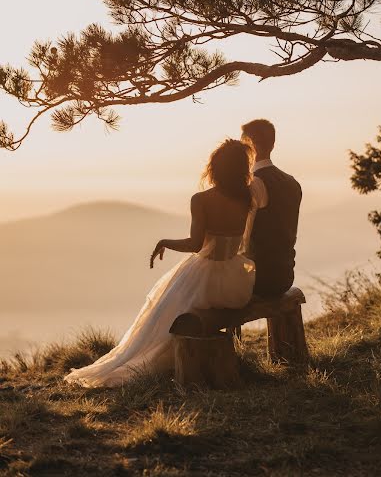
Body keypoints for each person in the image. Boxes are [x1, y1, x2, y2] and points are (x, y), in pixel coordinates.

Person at [64, 139, 266, 388]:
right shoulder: (248, 196)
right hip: (236, 282)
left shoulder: (201, 199)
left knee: (161, 313)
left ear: (215, 167)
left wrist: (164, 241)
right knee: (172, 308)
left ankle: (152, 362)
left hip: (207, 278)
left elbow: (195, 245)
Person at [241, 119, 302, 298]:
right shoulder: (292, 183)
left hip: (259, 279)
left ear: (249, 144)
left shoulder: (253, 184)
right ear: (272, 144)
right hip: (285, 276)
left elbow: (243, 239)